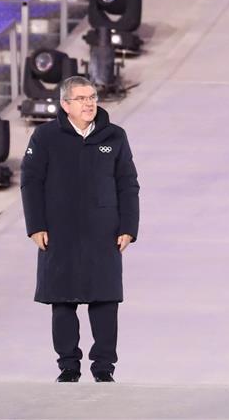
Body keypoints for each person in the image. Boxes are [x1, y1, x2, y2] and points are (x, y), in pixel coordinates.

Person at [21, 75, 140, 382]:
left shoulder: (115, 136)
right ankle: (68, 366)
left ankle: (103, 368)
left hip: (104, 232)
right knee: (62, 300)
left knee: (105, 300)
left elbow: (128, 183)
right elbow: (31, 182)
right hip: (59, 232)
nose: (89, 104)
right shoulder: (45, 136)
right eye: (82, 99)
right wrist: (36, 226)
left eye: (92, 97)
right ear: (65, 104)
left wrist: (128, 226)